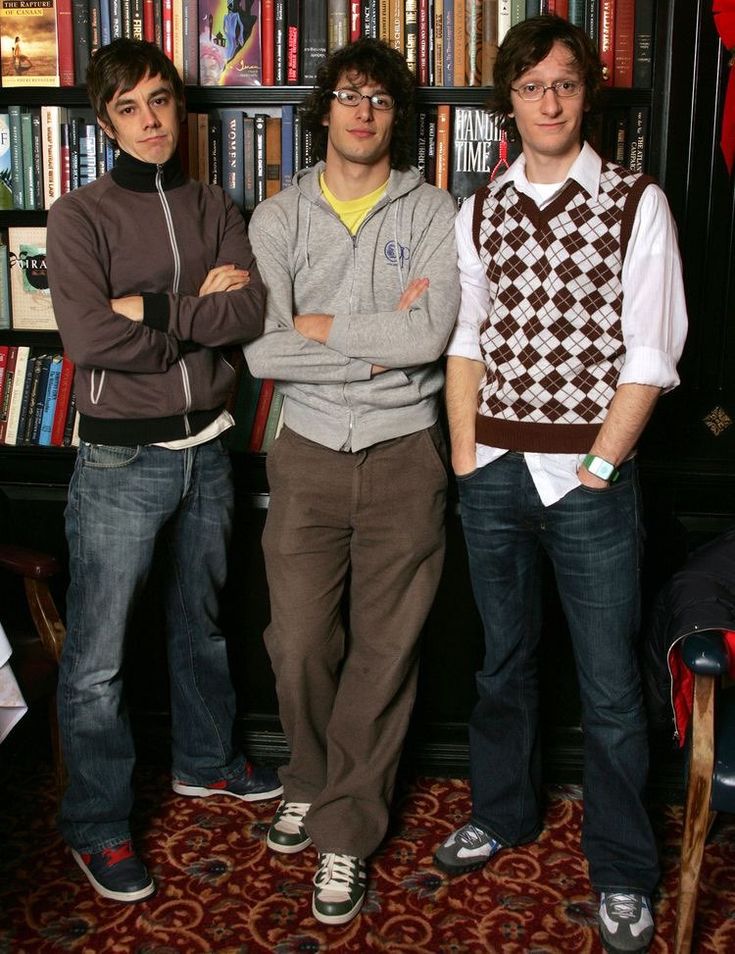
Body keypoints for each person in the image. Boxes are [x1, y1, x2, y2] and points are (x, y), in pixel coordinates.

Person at [433, 15, 688, 954]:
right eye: (531, 85)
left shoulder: (635, 201)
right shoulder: (480, 206)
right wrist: (465, 453)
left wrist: (597, 464)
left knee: (611, 686)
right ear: (508, 99)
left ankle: (622, 867)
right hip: (492, 474)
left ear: (587, 96)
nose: (548, 101)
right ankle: (502, 814)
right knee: (501, 664)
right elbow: (466, 339)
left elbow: (652, 353)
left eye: (566, 85)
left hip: (587, 481)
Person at [46, 38, 280, 905]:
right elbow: (88, 340)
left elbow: (248, 309)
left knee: (203, 627)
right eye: (130, 108)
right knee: (100, 661)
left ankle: (205, 762)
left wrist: (146, 307)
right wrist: (197, 315)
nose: (151, 122)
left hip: (209, 447)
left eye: (161, 101)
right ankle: (97, 826)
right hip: (120, 456)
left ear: (180, 108)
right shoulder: (79, 216)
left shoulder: (215, 199)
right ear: (105, 122)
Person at [243, 36, 460, 926]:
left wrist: (326, 331)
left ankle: (344, 831)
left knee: (384, 651)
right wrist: (378, 348)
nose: (362, 112)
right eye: (347, 96)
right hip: (306, 454)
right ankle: (309, 773)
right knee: (295, 642)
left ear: (393, 115)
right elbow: (261, 347)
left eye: (377, 98)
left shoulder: (438, 211)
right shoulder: (276, 218)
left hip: (409, 454)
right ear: (323, 109)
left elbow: (431, 339)